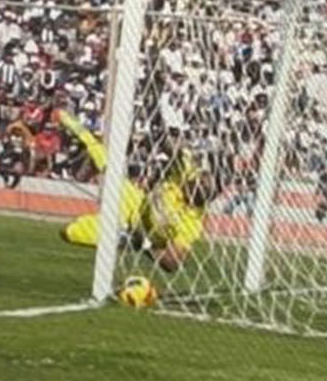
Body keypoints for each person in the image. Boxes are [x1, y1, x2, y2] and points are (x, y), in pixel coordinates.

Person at [51, 110, 217, 274]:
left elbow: (172, 264)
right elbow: (173, 147)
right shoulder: (187, 170)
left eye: (200, 187)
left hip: (142, 235)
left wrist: (145, 246)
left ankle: (126, 239)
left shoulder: (192, 223)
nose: (194, 182)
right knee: (107, 164)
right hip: (135, 202)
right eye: (198, 179)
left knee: (69, 232)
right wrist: (167, 143)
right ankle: (70, 123)